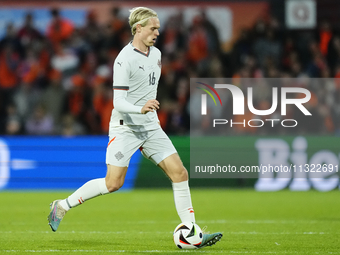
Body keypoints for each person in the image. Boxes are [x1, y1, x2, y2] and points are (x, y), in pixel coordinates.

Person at [47, 7, 222, 248]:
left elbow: (148, 88)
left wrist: (149, 110)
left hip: (150, 126)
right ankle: (62, 206)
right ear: (138, 28)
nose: (157, 32)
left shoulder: (157, 54)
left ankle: (192, 232)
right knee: (113, 184)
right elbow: (118, 102)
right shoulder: (124, 59)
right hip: (125, 127)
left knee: (180, 173)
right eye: (153, 28)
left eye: (158, 28)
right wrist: (140, 108)